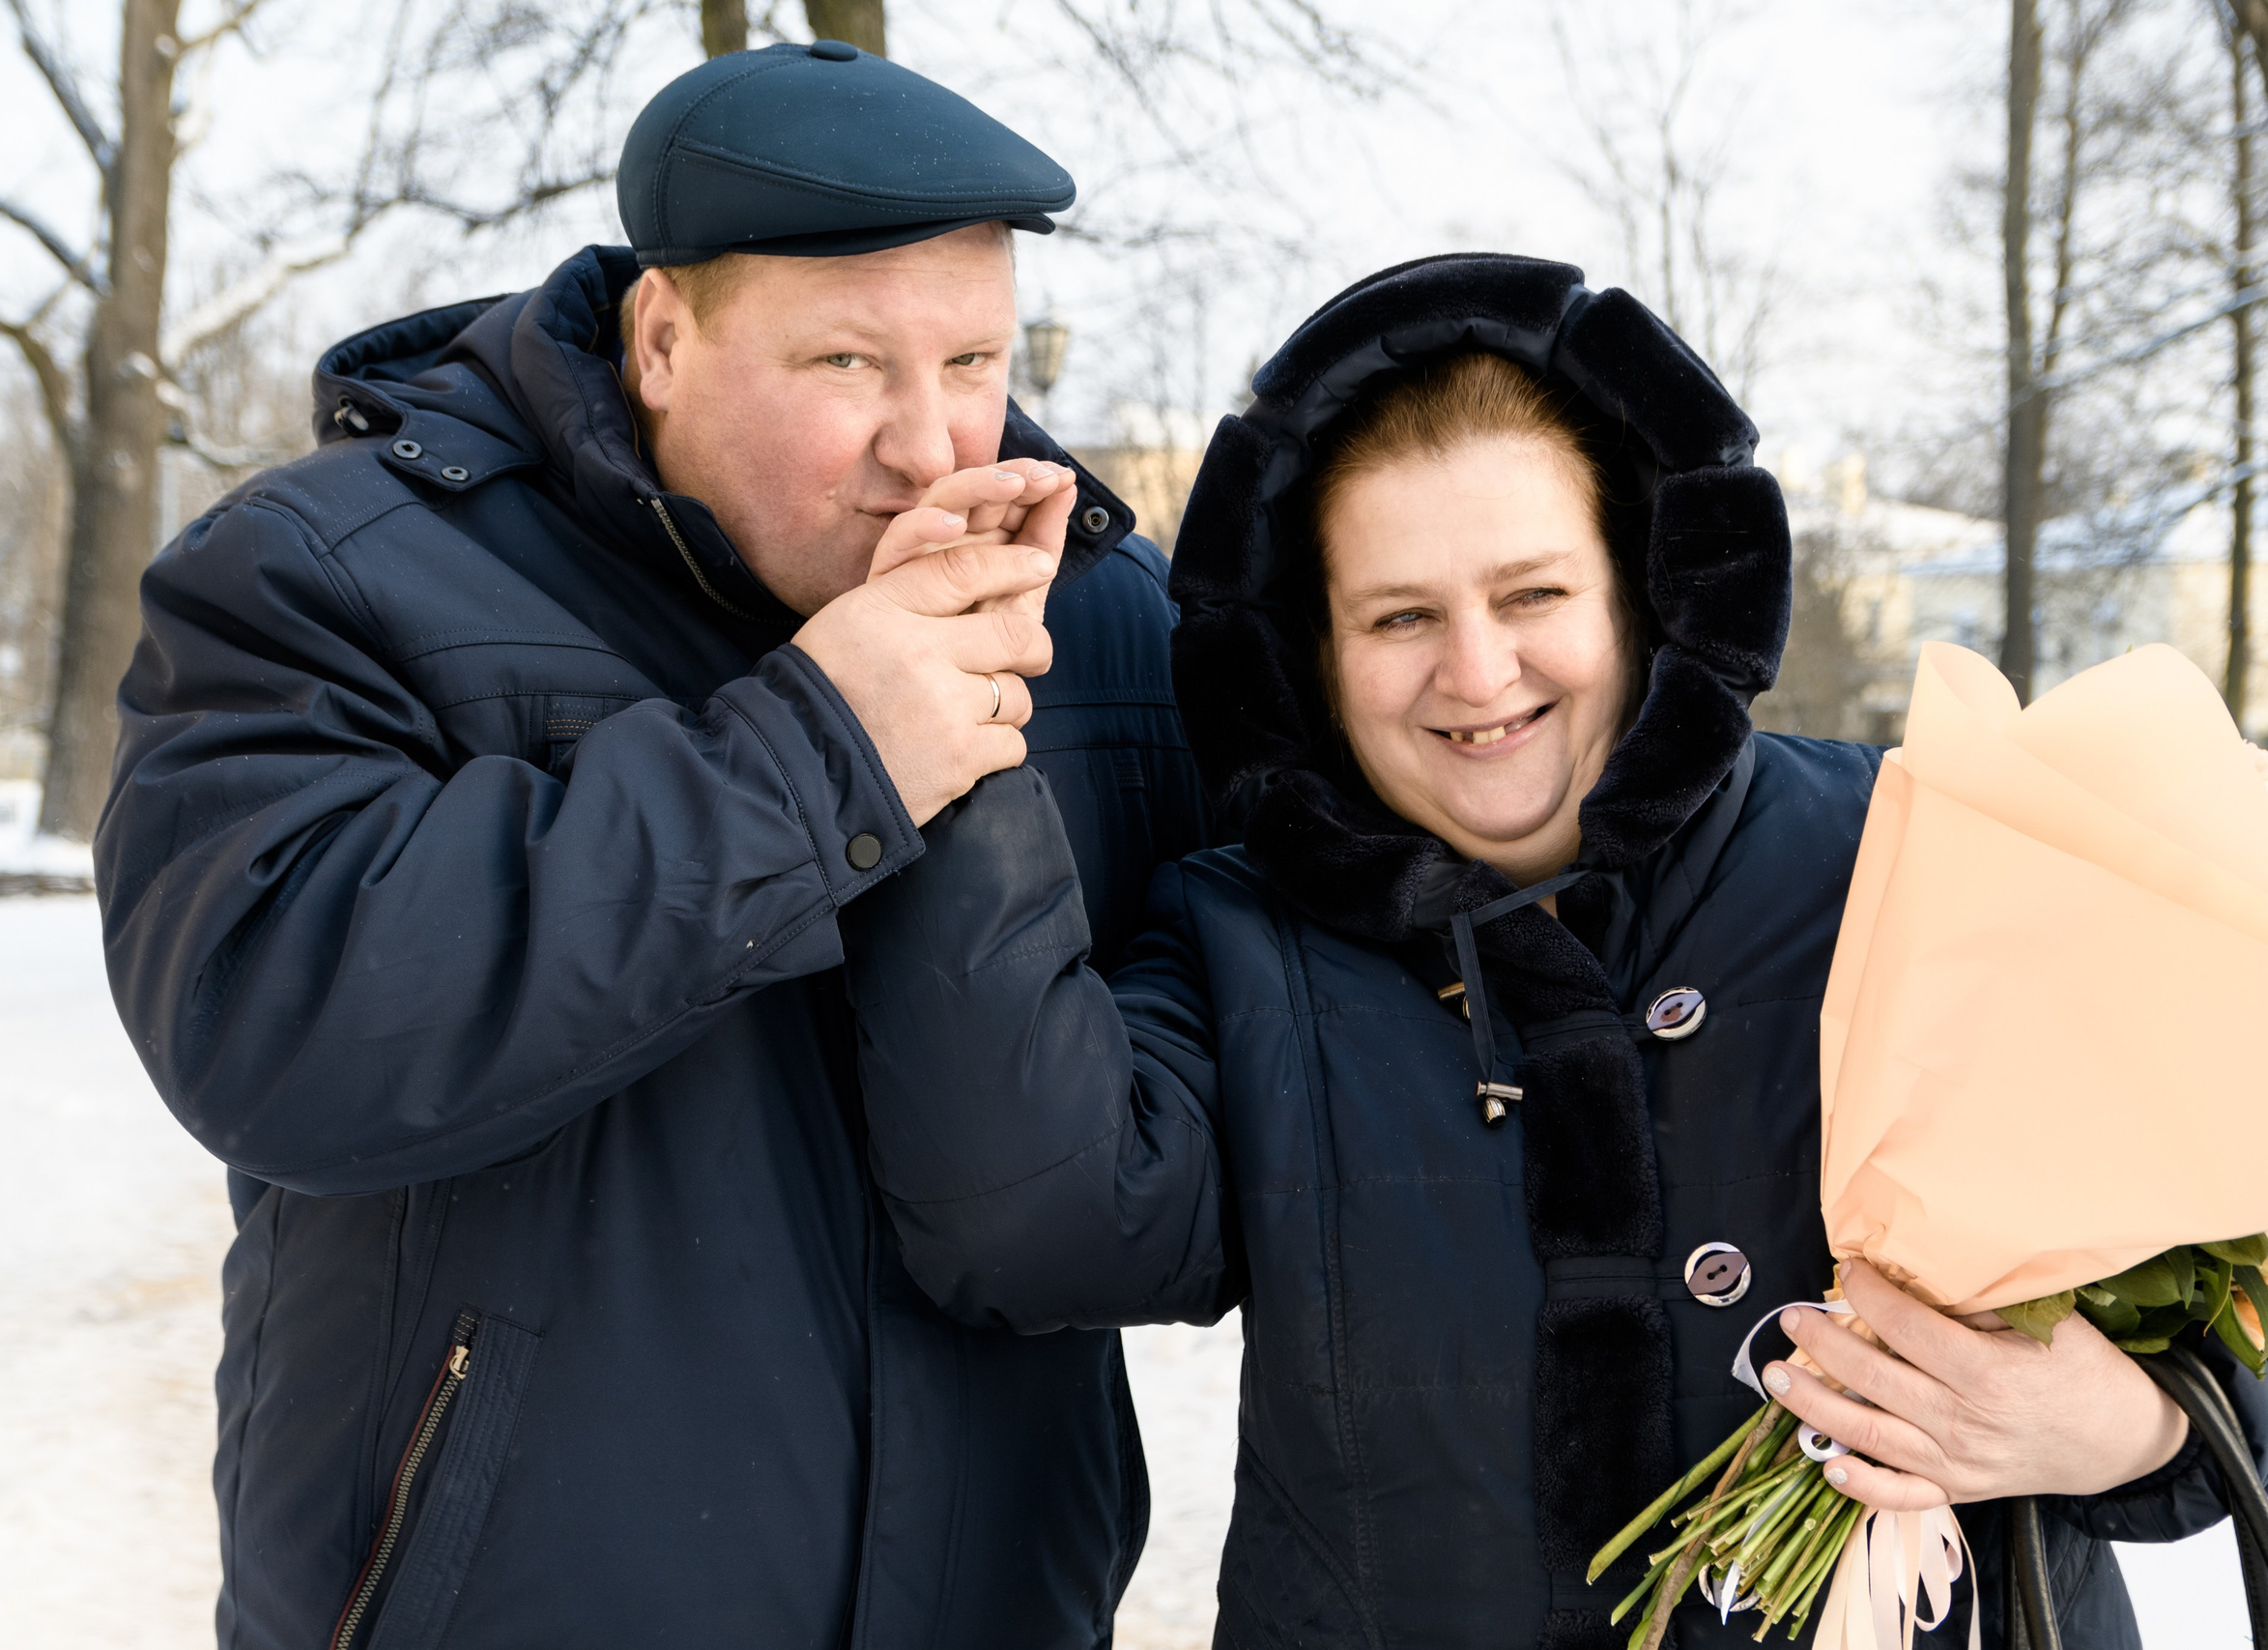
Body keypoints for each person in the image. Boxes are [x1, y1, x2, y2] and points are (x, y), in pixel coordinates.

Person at [839, 253, 2268, 1646]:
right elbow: (1037, 1224)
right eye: (1399, 617)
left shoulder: (1898, 854)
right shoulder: (1242, 935)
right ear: (1316, 660)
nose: (1476, 673)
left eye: (1532, 597)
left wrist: (2134, 1429)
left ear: (1637, 597)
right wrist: (956, 766)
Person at [95, 42, 1207, 1650]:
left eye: (973, 359)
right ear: (664, 337)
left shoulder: (1099, 614)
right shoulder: (316, 580)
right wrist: (830, 747)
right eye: (844, 366)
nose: (932, 446)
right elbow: (277, 1026)